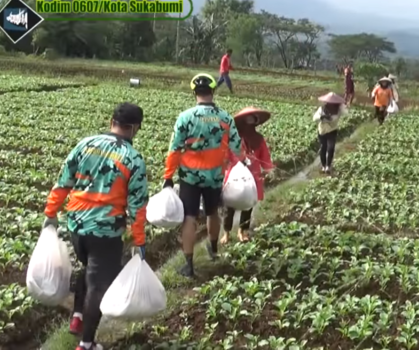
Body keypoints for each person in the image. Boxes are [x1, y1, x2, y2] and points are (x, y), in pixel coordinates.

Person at [43, 102, 148, 350]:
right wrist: (140, 240)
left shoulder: (85, 144)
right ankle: (87, 344)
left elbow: (63, 181)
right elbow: (137, 207)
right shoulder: (133, 159)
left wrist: (50, 212)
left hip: (76, 225)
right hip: (106, 231)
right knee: (99, 285)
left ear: (112, 121)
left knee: (88, 267)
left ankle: (77, 317)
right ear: (134, 128)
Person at [163, 73, 241, 277]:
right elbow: (237, 149)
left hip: (190, 177)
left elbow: (174, 150)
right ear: (213, 91)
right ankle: (213, 249)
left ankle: (189, 265)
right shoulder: (225, 117)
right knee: (212, 212)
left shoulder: (185, 117)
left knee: (189, 217)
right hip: (215, 176)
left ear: (194, 92)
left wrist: (168, 176)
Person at [221, 107, 274, 244]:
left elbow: (265, 156)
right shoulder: (233, 139)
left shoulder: (259, 139)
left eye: (252, 122)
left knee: (247, 206)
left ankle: (242, 231)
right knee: (229, 206)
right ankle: (226, 233)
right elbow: (225, 156)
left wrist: (269, 170)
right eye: (247, 122)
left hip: (253, 176)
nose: (249, 126)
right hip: (234, 176)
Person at [313, 92, 347, 173]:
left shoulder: (338, 109)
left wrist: (342, 105)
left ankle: (328, 165)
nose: (332, 104)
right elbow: (314, 118)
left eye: (333, 103)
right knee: (323, 148)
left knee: (331, 148)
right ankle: (323, 166)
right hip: (322, 131)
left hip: (332, 131)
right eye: (330, 102)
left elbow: (346, 113)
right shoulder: (322, 109)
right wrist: (321, 117)